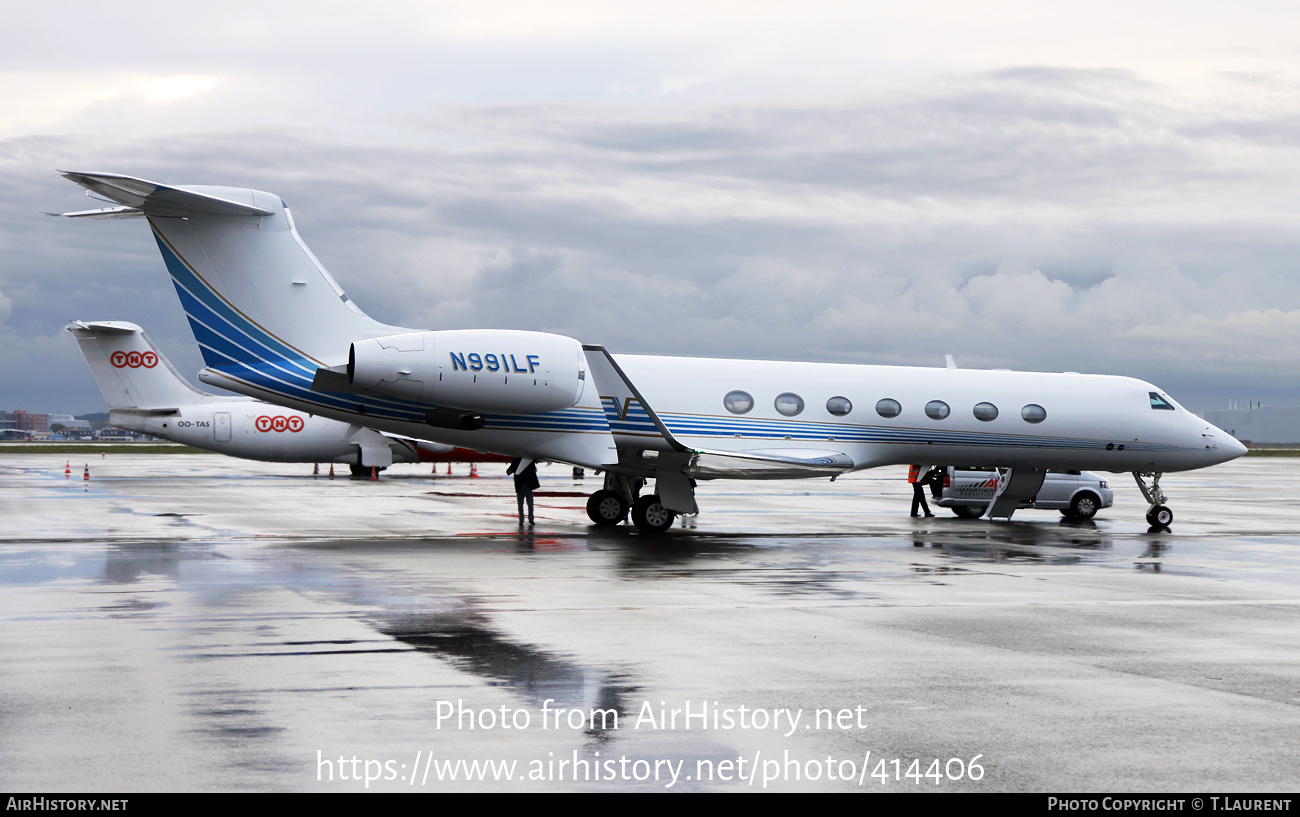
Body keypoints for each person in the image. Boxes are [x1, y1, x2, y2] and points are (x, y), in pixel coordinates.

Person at [507, 458, 540, 526]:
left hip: (519, 485)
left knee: (520, 505)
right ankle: (531, 519)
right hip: (528, 485)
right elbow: (536, 460)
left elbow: (509, 471)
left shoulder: (516, 460)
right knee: (530, 504)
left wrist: (510, 471)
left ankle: (521, 520)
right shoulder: (530, 459)